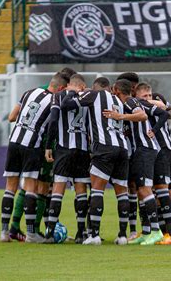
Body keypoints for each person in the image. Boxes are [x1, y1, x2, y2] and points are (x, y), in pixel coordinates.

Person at [60, 80, 147, 246]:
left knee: (97, 190)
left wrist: (72, 91)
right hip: (122, 149)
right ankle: (122, 235)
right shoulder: (119, 102)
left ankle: (94, 235)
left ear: (95, 88)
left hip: (104, 148)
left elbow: (66, 105)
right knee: (122, 192)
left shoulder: (94, 95)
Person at [0, 73, 67, 243]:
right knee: (31, 187)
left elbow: (12, 117)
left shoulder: (29, 92)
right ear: (60, 88)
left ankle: (4, 232)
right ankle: (31, 234)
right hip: (32, 144)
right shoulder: (54, 102)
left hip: (14, 141)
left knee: (10, 187)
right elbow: (52, 124)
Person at [111, 79, 167, 246]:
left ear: (117, 91)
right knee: (140, 190)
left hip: (145, 149)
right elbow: (163, 113)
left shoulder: (129, 102)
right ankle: (147, 232)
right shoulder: (136, 101)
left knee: (145, 189)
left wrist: (120, 116)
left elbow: (142, 116)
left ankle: (156, 231)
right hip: (140, 150)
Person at [43, 74, 91, 244]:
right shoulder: (88, 97)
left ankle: (49, 232)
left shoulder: (59, 96)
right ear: (82, 86)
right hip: (83, 150)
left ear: (69, 85)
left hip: (64, 149)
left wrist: (49, 145)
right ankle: (80, 233)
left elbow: (54, 120)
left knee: (58, 190)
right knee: (81, 191)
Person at [132, 83, 171, 245]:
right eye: (145, 96)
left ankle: (170, 234)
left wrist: (155, 129)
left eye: (149, 95)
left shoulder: (155, 102)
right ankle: (148, 231)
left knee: (163, 190)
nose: (148, 98)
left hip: (162, 149)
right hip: (152, 151)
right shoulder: (137, 106)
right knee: (147, 191)